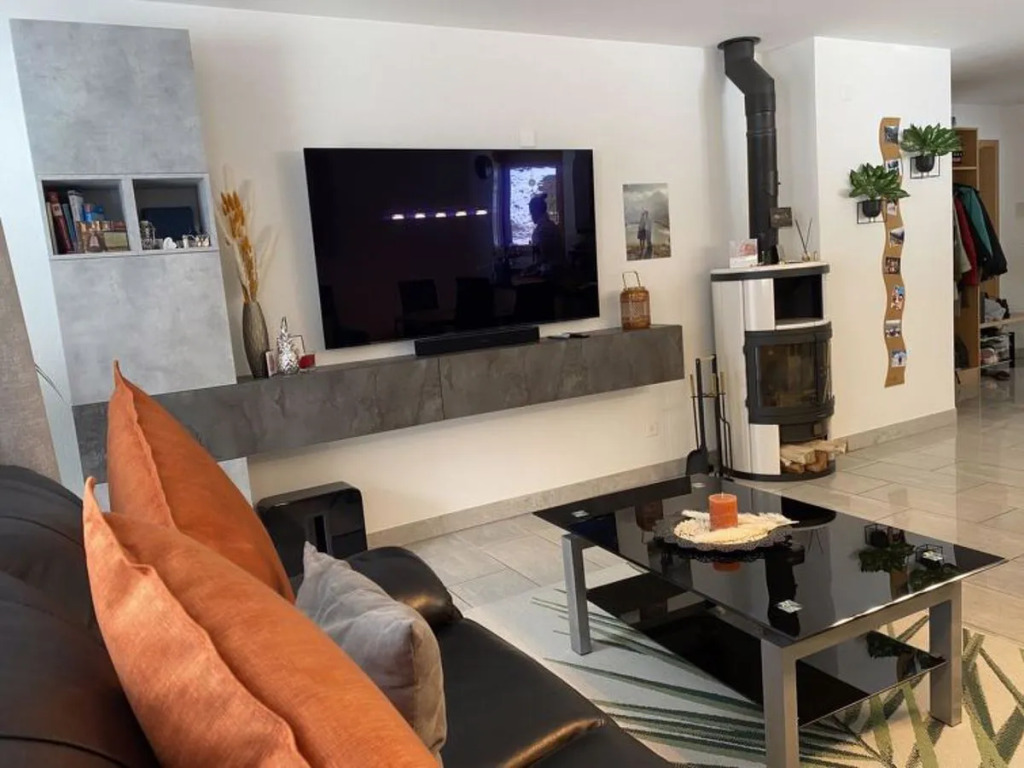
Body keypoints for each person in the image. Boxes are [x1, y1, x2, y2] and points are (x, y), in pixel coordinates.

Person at [529, 194, 564, 271]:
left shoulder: (544, 229)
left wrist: (533, 267)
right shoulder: (547, 225)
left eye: (531, 212)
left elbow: (546, 256)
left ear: (536, 211)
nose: (531, 215)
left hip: (552, 272)